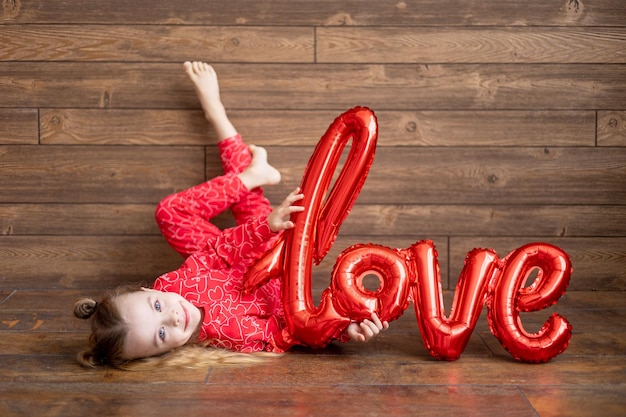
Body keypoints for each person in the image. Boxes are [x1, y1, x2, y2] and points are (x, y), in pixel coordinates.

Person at [74, 61, 389, 369]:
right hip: (287, 268)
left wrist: (265, 227)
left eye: (157, 305)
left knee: (171, 212)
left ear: (150, 290)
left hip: (251, 244)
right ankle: (251, 170)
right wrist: (342, 330)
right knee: (252, 208)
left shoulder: (175, 285)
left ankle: (233, 141)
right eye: (160, 333)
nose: (172, 316)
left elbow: (218, 250)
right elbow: (291, 333)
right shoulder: (221, 343)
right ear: (160, 353)